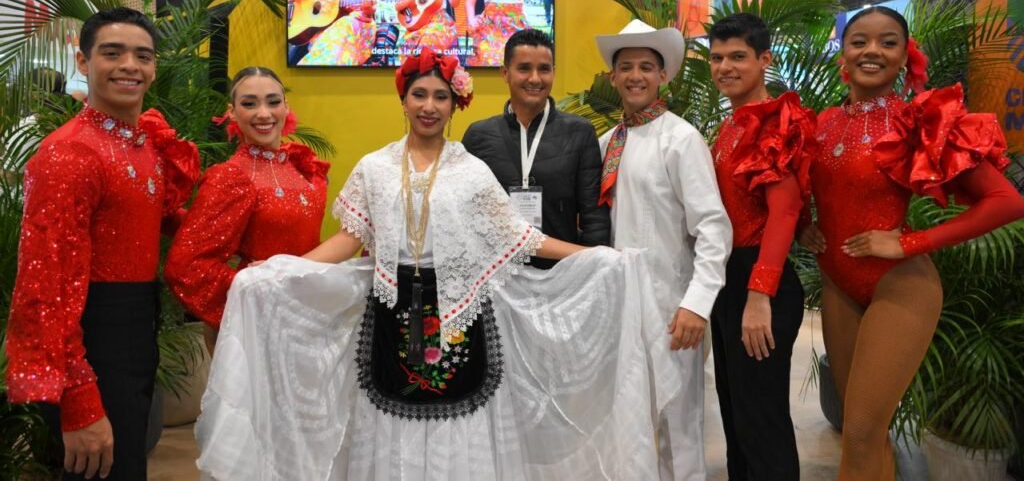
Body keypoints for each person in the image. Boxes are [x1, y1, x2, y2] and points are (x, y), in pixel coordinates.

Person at [194, 48, 682, 480]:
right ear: (403, 100)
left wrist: (596, 256)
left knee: (460, 413)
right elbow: (349, 239)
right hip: (390, 312)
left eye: (441, 97)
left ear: (454, 105)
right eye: (419, 95)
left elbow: (521, 237)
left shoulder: (472, 170)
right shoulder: (374, 168)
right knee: (389, 411)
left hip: (459, 312)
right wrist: (286, 271)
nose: (429, 106)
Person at [798, 6, 1024, 480]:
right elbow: (796, 191)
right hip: (838, 283)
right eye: (859, 41)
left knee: (860, 435)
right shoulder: (820, 123)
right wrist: (804, 227)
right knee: (863, 432)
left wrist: (910, 243)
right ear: (843, 53)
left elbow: (1007, 202)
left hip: (900, 286)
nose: (872, 51)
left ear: (906, 56)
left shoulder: (919, 120)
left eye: (888, 42)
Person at [6, 7, 199, 481]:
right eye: (112, 53)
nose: (130, 66)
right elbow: (46, 290)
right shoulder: (70, 153)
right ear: (83, 61)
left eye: (142, 56)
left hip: (135, 328)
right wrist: (78, 401)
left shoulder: (142, 142)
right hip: (94, 338)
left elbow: (154, 217)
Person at [595, 19, 733, 480]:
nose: (635, 76)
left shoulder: (681, 139)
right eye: (626, 67)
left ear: (663, 76)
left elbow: (713, 228)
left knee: (679, 421)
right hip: (619, 308)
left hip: (671, 307)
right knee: (627, 421)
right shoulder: (607, 143)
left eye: (646, 67)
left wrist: (697, 304)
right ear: (613, 77)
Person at [707, 13, 813, 480]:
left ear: (764, 59)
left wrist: (758, 294)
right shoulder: (730, 124)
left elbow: (784, 211)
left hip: (759, 282)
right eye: (717, 58)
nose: (724, 67)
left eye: (737, 57)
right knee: (736, 412)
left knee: (761, 419)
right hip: (728, 278)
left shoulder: (775, 122)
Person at [164, 66, 329, 353]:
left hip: (308, 316)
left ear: (286, 106)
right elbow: (188, 266)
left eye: (273, 102)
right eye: (249, 104)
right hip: (258, 326)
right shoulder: (231, 177)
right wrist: (256, 292)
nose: (263, 113)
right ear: (232, 112)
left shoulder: (301, 166)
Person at [462, 28, 609, 269]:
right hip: (497, 275)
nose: (535, 79)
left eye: (544, 69)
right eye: (524, 68)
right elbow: (467, 214)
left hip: (560, 273)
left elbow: (594, 217)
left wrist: (592, 268)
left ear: (553, 73)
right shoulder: (479, 137)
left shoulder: (580, 133)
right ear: (505, 73)